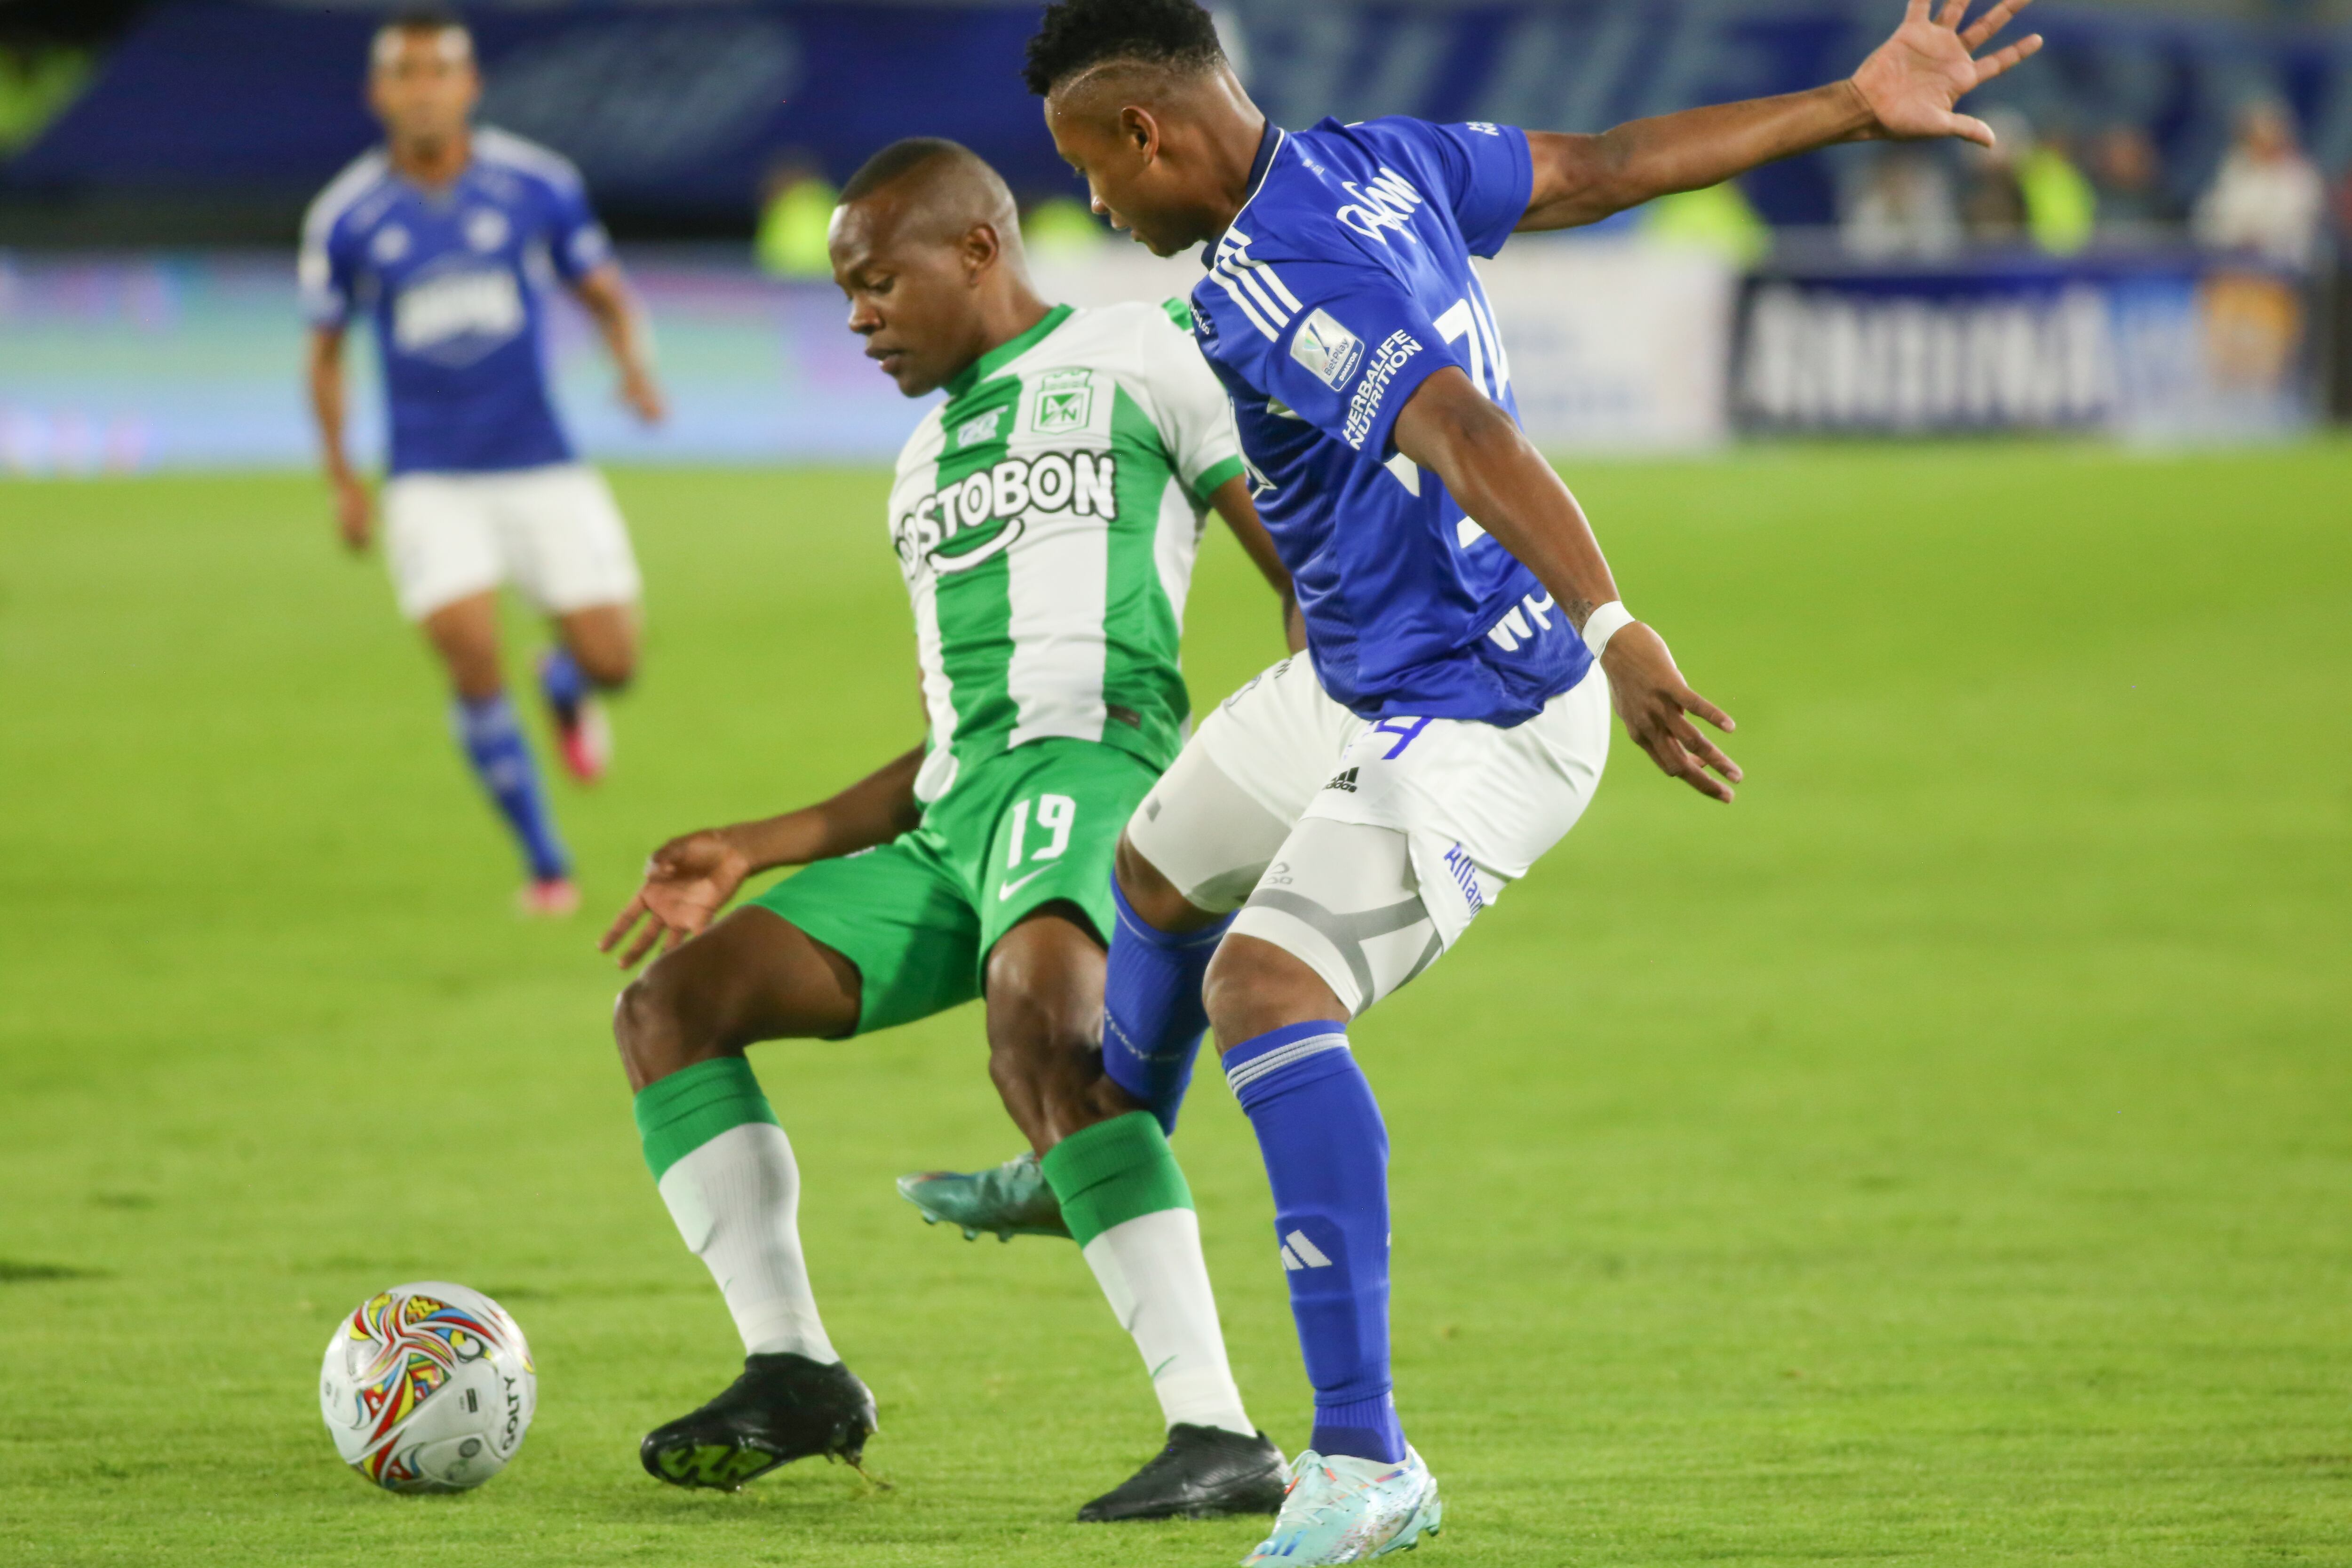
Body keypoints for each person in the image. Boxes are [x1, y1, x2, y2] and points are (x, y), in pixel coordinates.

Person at [1013, 0, 2044, 1560]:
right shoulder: (1373, 162)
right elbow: (1603, 164)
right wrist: (1848, 100)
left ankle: (1367, 1465)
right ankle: (1108, 1154)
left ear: (1144, 135)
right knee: (1155, 872)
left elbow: (1461, 427)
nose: (1094, 206)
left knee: (1268, 994)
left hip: (1483, 708)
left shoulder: (1278, 278)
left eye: (1088, 170)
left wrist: (1614, 625)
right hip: (1356, 677)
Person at [597, 136, 1306, 1522]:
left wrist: (1316, 745)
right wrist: (763, 840)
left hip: (1097, 770)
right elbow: (952, 744)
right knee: (670, 1009)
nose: (858, 316)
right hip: (959, 828)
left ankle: (1218, 1432)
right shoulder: (919, 468)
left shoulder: (1139, 355)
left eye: (876, 282)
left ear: (978, 249)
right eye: (844, 294)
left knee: (1042, 1016)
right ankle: (794, 1369)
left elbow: (1300, 568)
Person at [301, 5, 665, 915]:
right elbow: (325, 354)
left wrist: (633, 369)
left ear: (470, 86)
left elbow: (606, 294)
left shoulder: (536, 186)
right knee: (467, 653)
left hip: (541, 462)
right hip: (429, 477)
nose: (423, 91)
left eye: (439, 72)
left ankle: (567, 681)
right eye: (406, 74)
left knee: (618, 661)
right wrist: (344, 480)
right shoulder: (347, 216)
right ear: (378, 93)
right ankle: (547, 864)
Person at [2194, 99, 2325, 271]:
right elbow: (2211, 216)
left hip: (2283, 266)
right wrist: (2236, 236)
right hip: (2231, 261)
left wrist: (2260, 237)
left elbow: (2300, 224)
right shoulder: (2233, 169)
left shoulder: (2302, 176)